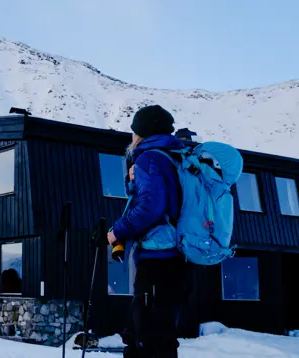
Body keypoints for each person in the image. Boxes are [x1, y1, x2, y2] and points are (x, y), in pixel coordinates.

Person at [106, 104, 191, 358]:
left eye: (133, 132)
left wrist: (116, 232)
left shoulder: (149, 158)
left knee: (148, 341)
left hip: (158, 260)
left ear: (141, 133)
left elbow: (150, 208)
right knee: (153, 336)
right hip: (179, 259)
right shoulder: (176, 156)